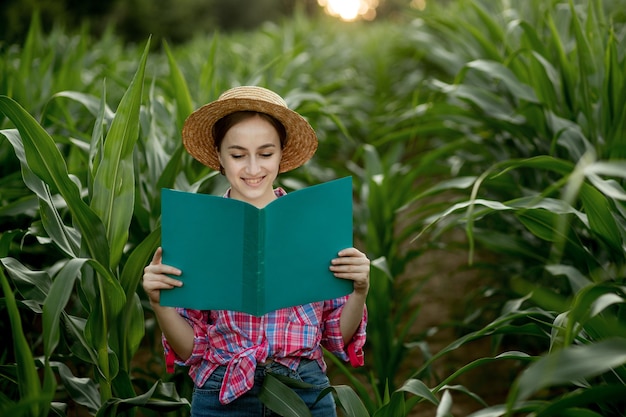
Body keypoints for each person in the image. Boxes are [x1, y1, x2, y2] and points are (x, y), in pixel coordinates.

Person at [142, 86, 369, 417]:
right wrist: (158, 304)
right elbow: (191, 349)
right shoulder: (200, 231)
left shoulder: (313, 223)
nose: (252, 168)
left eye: (265, 153)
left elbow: (335, 337)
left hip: (303, 389)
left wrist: (359, 290)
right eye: (237, 155)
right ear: (219, 156)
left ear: (281, 153)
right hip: (222, 391)